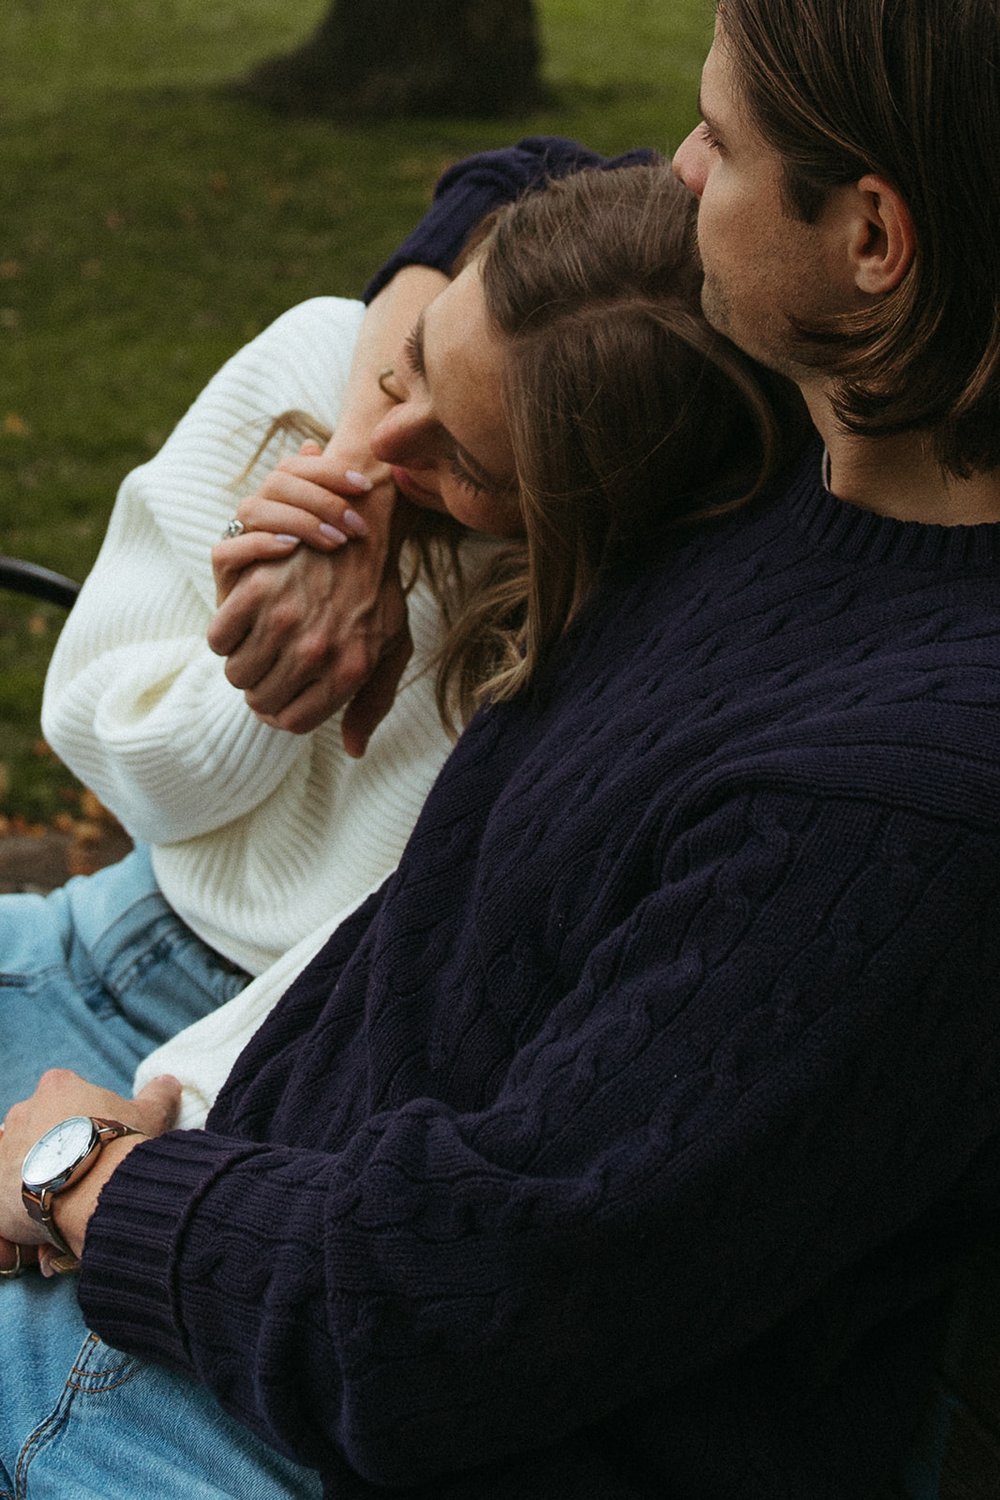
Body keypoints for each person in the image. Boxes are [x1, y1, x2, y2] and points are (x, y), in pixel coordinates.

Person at [2, 0, 1000, 1493]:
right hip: (238, 1201)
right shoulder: (826, 439)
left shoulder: (886, 802)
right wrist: (373, 475)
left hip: (267, 1415)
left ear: (874, 242)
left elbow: (446, 1314)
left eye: (720, 144)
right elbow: (516, 186)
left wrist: (91, 1183)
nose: (672, 168)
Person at [0, 140, 649, 1124]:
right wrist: (266, 648)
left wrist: (148, 1148)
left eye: (460, 458)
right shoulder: (324, 358)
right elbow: (115, 760)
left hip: (257, 1086)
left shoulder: (613, 637)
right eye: (408, 371)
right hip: (88, 933)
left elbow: (393, 964)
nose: (384, 449)